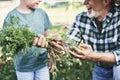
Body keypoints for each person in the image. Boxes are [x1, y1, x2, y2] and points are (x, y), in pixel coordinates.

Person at [3, 0, 55, 80]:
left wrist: (52, 56)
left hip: (42, 64)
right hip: (23, 67)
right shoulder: (11, 17)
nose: (41, 0)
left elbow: (48, 39)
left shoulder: (41, 13)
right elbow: (8, 44)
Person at [67, 0, 120, 80]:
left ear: (105, 1)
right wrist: (55, 43)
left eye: (89, 0)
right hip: (100, 71)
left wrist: (93, 55)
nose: (84, 3)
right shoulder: (82, 18)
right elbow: (70, 42)